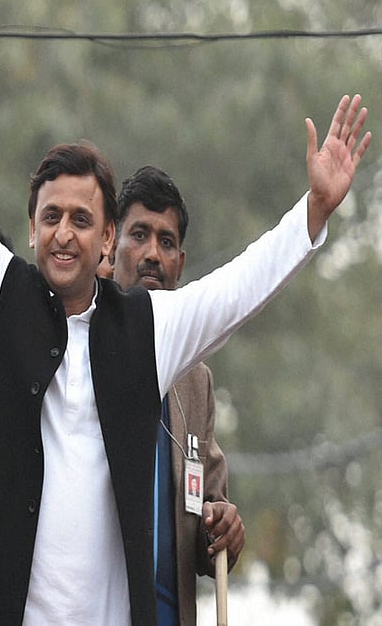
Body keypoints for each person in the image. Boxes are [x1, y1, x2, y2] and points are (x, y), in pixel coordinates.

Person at [0, 0, 371, 624]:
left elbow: (242, 287)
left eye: (82, 219)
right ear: (30, 229)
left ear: (108, 241)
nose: (64, 234)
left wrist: (313, 211)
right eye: (51, 217)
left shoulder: (149, 328)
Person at [107, 166, 246, 625]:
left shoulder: (195, 379)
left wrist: (224, 528)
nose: (152, 254)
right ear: (110, 246)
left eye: (166, 242)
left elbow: (209, 516)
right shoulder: (75, 350)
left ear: (181, 265)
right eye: (139, 235)